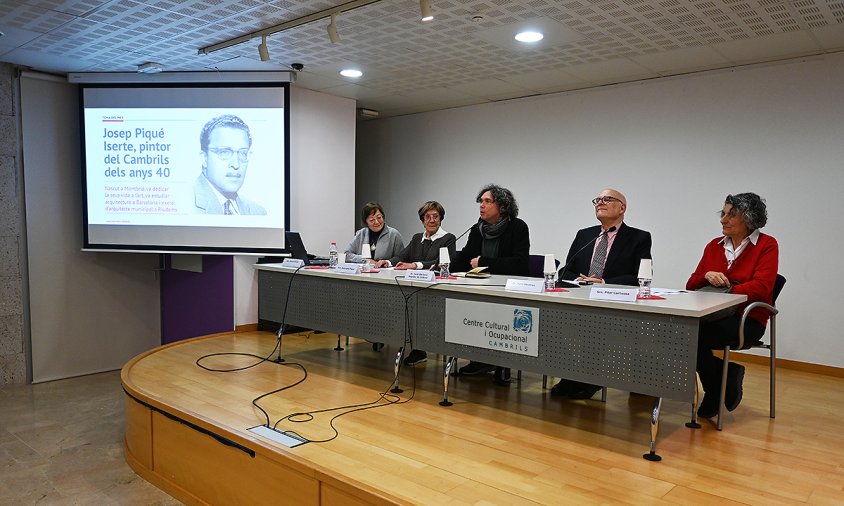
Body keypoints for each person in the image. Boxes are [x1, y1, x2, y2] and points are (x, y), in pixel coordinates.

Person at [551, 188, 652, 400]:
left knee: (592, 325)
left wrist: (603, 282)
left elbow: (640, 277)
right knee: (557, 320)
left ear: (622, 208)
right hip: (580, 298)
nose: (600, 202)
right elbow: (566, 269)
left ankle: (590, 378)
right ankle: (572, 374)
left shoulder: (639, 238)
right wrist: (578, 280)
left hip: (613, 303)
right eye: (597, 199)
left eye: (607, 199)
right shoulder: (584, 234)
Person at [686, 192, 778, 418]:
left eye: (731, 215)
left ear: (749, 218)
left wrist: (727, 292)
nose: (723, 220)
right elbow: (691, 284)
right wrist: (707, 275)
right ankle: (723, 380)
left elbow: (762, 287)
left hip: (747, 319)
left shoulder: (767, 244)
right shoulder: (713, 246)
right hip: (711, 316)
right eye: (723, 213)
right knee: (682, 333)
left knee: (693, 337)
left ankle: (714, 390)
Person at [452, 184, 530, 385]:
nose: (482, 206)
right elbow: (467, 255)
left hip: (507, 289)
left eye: (488, 201)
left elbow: (520, 263)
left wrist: (484, 262)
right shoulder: (478, 228)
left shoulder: (518, 227)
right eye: (481, 201)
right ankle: (480, 360)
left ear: (502, 206)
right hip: (479, 287)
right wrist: (444, 265)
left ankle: (503, 363)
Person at [375, 201, 456, 366]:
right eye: (428, 217)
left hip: (435, 291)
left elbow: (442, 262)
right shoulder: (417, 238)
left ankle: (422, 348)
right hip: (414, 290)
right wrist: (388, 262)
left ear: (441, 219)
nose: (432, 220)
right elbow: (402, 256)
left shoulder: (448, 238)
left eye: (436, 217)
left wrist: (415, 265)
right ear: (422, 220)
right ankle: (416, 349)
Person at [194, 114, 266, 215]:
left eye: (242, 153)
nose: (236, 164)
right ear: (204, 158)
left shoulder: (258, 212)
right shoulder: (183, 205)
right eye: (224, 152)